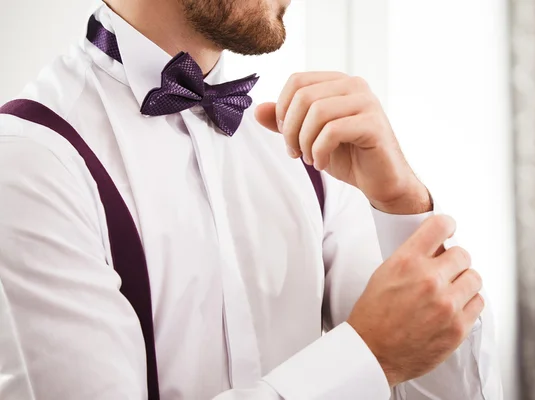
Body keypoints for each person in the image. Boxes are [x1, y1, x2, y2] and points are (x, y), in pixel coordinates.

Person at [0, 0, 502, 398]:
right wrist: (367, 357)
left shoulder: (309, 148)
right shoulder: (31, 160)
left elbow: (454, 390)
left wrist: (399, 206)